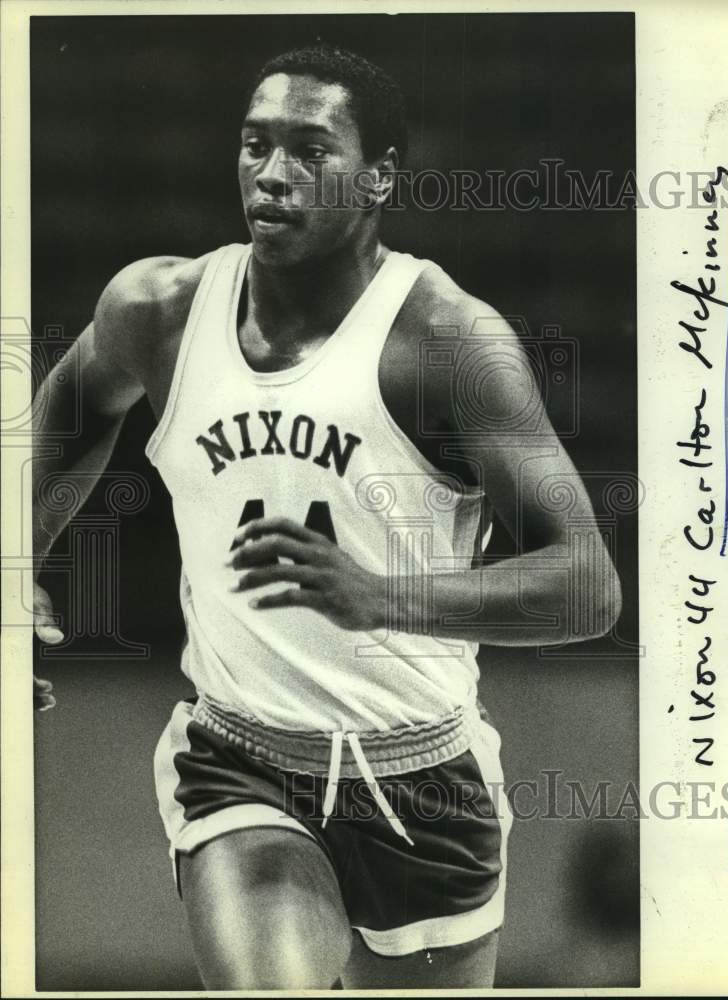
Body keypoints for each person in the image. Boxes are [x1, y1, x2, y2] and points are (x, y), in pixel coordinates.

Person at [32, 45, 622, 989]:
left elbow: (587, 584)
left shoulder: (446, 342)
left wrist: (380, 595)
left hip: (426, 778)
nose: (271, 174)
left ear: (380, 175)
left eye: (310, 150)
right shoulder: (161, 308)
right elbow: (63, 425)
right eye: (255, 144)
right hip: (239, 759)